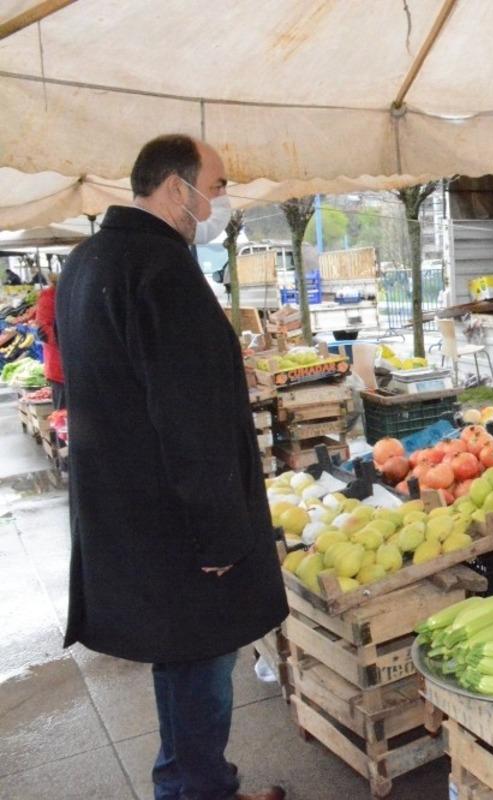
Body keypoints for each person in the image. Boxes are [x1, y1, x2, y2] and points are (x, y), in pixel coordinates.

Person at [57, 134, 288, 800]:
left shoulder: (88, 261)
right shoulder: (164, 272)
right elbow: (192, 421)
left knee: (178, 657)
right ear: (173, 188)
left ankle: (187, 781)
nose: (219, 202)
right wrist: (218, 536)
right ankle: (202, 790)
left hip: (126, 509)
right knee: (202, 659)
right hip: (176, 520)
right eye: (215, 187)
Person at [35, 271, 65, 409]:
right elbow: (47, 332)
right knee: (64, 416)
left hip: (81, 369)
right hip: (60, 370)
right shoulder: (49, 296)